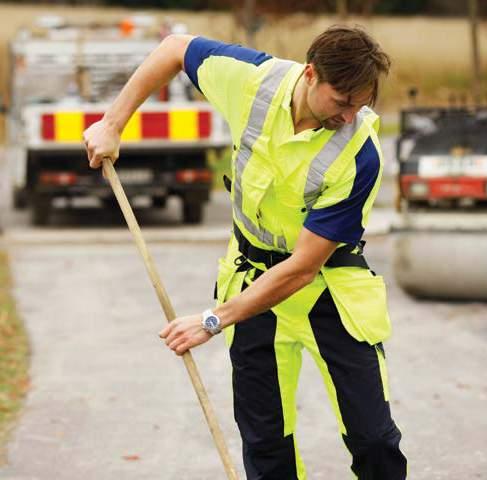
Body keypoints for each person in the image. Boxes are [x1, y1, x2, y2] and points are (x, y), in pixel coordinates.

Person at [83, 25, 407, 479]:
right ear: (311, 75)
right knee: (266, 442)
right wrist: (113, 123)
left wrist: (213, 320)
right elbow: (175, 48)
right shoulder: (253, 80)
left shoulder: (360, 155)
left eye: (362, 104)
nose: (351, 115)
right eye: (342, 101)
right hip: (252, 278)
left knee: (374, 440)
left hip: (329, 290)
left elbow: (303, 267)